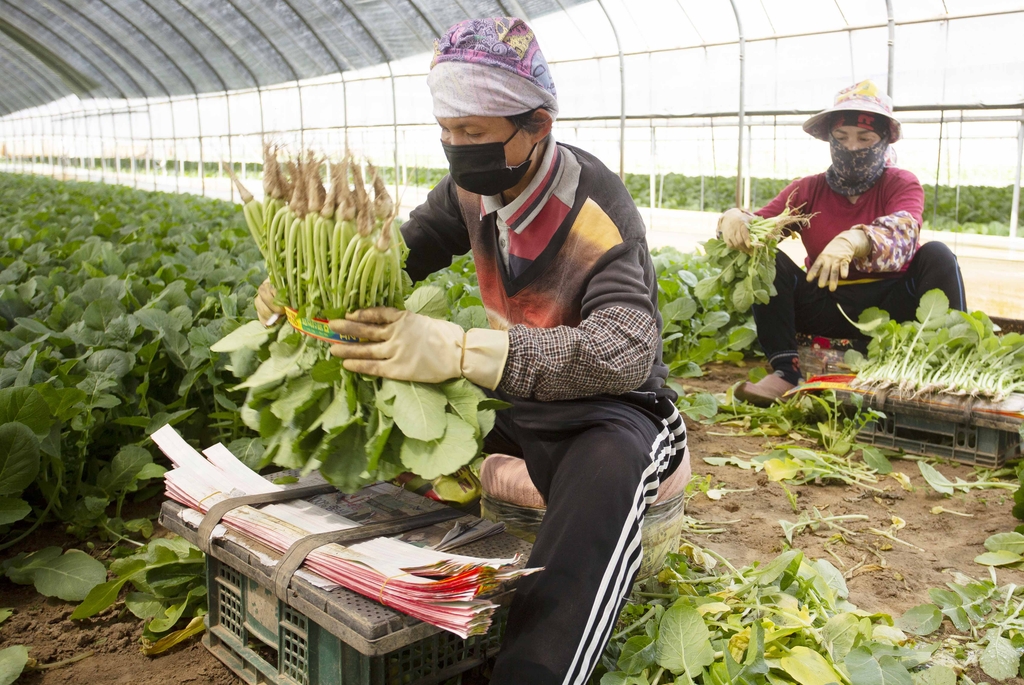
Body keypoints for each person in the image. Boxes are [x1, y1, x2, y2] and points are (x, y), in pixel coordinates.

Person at [257, 17, 685, 685]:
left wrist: (460, 348)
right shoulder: (470, 191)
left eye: (475, 133)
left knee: (609, 471)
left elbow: (625, 350)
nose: (457, 148)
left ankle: (534, 670)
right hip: (513, 395)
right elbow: (401, 255)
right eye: (448, 130)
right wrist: (303, 282)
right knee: (394, 411)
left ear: (537, 123)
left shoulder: (595, 209)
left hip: (611, 409)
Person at [720, 80, 967, 406]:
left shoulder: (900, 183)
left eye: (864, 138)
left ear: (884, 140)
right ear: (830, 140)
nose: (852, 147)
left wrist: (857, 239)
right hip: (827, 300)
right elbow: (759, 227)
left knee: (938, 255)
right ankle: (786, 372)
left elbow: (905, 231)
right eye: (841, 138)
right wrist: (734, 218)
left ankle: (951, 364)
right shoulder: (808, 189)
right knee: (769, 260)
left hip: (892, 309)